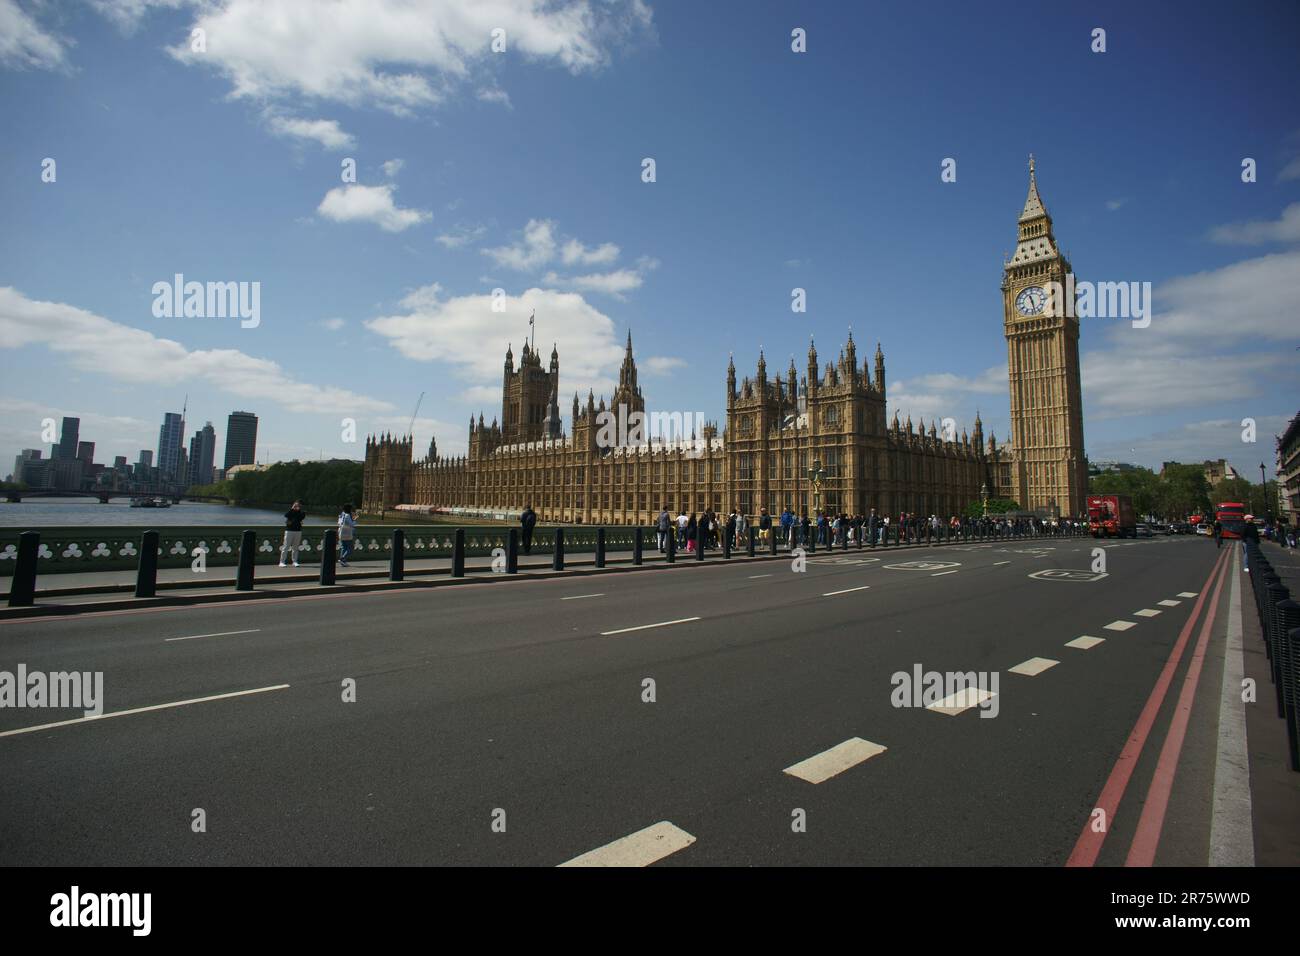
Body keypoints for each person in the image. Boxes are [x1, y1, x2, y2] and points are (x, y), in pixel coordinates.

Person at [280, 500, 306, 567]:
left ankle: (295, 561)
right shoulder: (290, 512)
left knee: (295, 547)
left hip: (298, 531)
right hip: (289, 531)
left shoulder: (302, 513)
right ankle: (282, 562)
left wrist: (297, 510)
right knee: (286, 546)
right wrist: (292, 509)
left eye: (298, 505)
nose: (297, 507)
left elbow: (301, 517)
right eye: (296, 505)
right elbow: (286, 515)